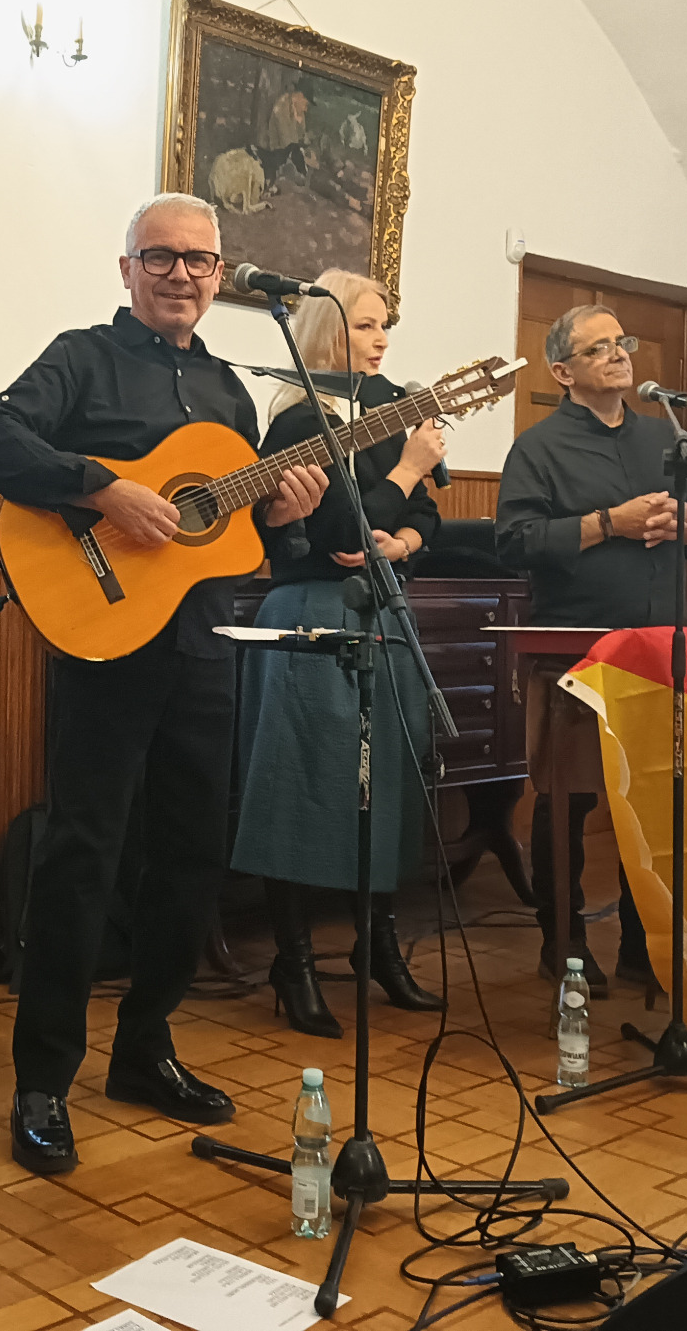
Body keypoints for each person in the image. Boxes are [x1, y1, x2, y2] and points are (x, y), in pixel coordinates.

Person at [0, 194, 327, 1175]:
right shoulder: (80, 359)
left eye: (198, 260)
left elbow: (245, 543)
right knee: (81, 855)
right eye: (159, 257)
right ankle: (42, 1078)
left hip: (202, 647)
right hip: (102, 646)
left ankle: (143, 1047)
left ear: (220, 274)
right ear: (126, 268)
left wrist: (289, 512)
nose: (179, 274)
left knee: (192, 855)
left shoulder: (230, 392)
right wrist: (100, 485)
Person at [230, 268, 447, 1038]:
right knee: (300, 782)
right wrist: (405, 473)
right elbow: (335, 534)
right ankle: (292, 961)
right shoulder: (299, 422)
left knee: (386, 782)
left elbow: (425, 518)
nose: (382, 338)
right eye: (365, 324)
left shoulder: (385, 414)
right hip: (312, 609)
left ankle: (377, 945)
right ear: (327, 330)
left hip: (383, 610)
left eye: (387, 324)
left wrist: (405, 538)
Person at [494, 303, 687, 993]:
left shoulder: (666, 438)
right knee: (568, 802)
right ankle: (562, 943)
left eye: (622, 342)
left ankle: (640, 944)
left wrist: (686, 522)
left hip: (659, 648)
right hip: (576, 650)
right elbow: (515, 542)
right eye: (599, 348)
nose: (620, 354)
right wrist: (606, 524)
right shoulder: (538, 448)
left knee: (650, 800)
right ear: (563, 371)